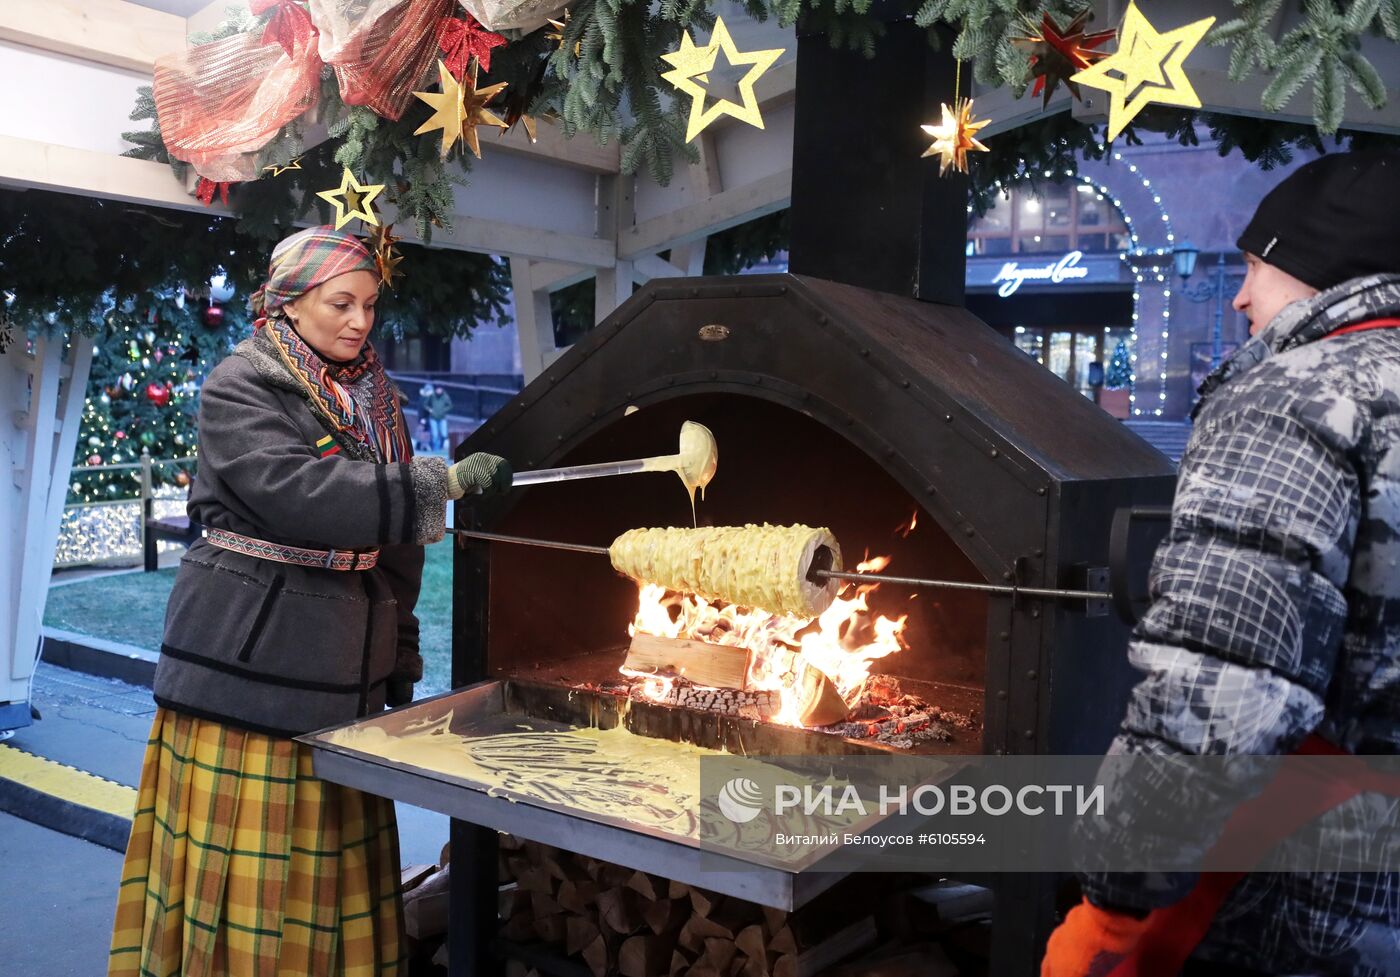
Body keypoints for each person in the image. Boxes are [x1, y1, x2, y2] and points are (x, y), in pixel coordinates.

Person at [108, 226, 512, 977]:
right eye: (341, 302)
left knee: (325, 892)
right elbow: (304, 497)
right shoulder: (241, 383)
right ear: (289, 302)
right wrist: (438, 482)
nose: (359, 321)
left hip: (342, 688)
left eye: (368, 304)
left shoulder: (378, 403)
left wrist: (399, 663)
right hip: (244, 685)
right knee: (247, 897)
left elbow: (396, 558)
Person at [1043, 150, 1400, 977]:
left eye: (1255, 267)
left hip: (1291, 895)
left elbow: (1222, 691)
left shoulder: (1300, 393)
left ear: (1322, 271)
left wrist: (1113, 901)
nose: (1240, 296)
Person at [425, 383, 454, 452]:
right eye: (438, 389)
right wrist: (430, 409)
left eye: (440, 389)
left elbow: (450, 405)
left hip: (442, 418)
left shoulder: (445, 396)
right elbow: (425, 404)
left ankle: (440, 446)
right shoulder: (432, 396)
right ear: (436, 390)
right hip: (433, 418)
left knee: (444, 434)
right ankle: (436, 449)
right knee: (435, 435)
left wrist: (444, 410)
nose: (439, 391)